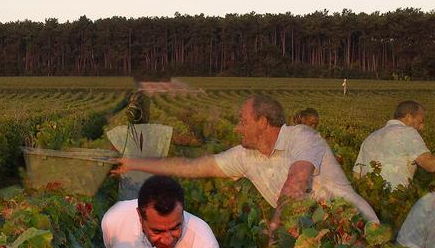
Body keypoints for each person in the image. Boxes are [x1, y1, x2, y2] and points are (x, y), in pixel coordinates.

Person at [115, 94, 378, 229]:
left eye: (243, 121)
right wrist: (134, 164)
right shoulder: (245, 156)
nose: (238, 128)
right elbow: (192, 167)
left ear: (262, 122)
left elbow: (297, 179)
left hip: (359, 230)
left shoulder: (302, 136)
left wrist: (276, 227)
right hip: (318, 237)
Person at [352, 100, 435, 189]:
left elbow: (356, 176)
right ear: (408, 117)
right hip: (395, 202)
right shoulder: (407, 133)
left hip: (369, 205)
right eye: (420, 121)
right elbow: (431, 165)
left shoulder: (370, 137)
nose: (422, 127)